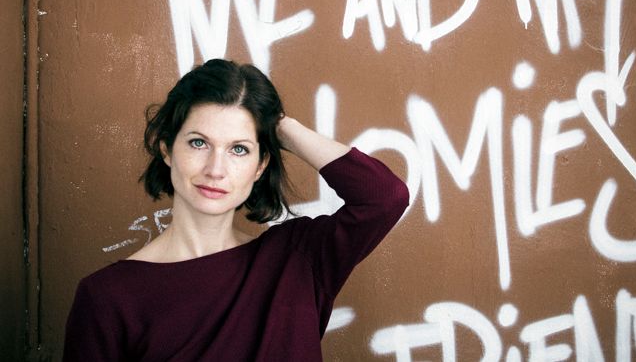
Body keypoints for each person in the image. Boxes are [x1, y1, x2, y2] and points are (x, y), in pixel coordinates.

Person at [63, 59, 409, 361]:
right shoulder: (107, 297)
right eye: (198, 143)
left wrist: (280, 126)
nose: (216, 169)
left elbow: (385, 197)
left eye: (239, 150)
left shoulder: (296, 260)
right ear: (167, 150)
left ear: (261, 166)